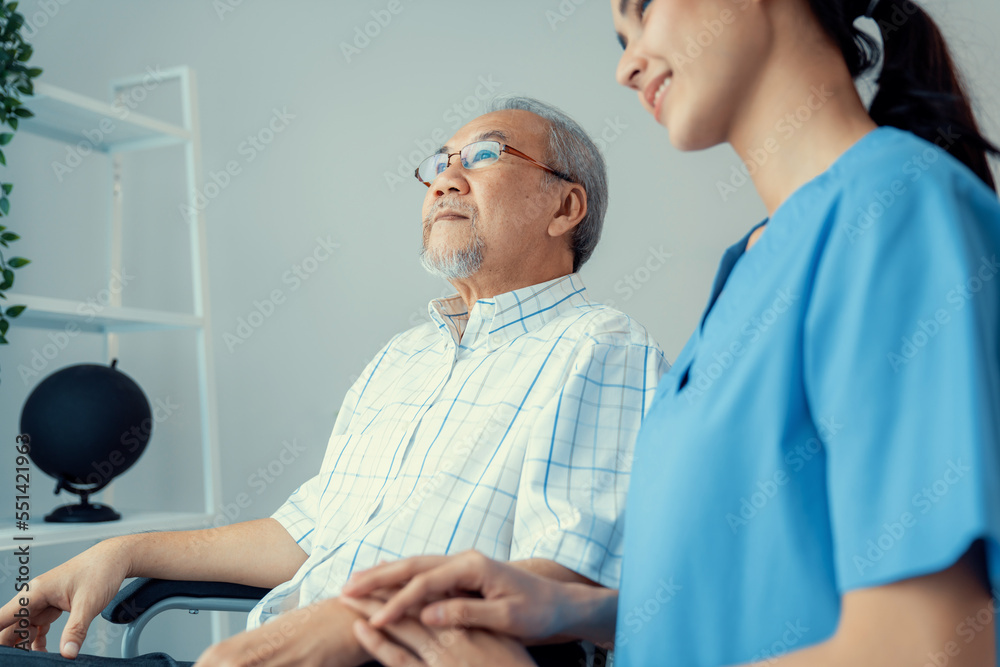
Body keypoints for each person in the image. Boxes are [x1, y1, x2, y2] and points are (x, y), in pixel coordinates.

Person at [339, 0, 1000, 665]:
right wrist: (579, 609)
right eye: (621, 38)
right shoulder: (750, 267)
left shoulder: (892, 210)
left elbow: (930, 646)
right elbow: (755, 587)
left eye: (644, 11)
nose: (627, 66)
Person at [0, 97, 668, 667]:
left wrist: (356, 622)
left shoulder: (600, 349)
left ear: (565, 206)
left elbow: (564, 582)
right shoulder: (403, 357)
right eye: (439, 163)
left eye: (484, 155)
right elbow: (305, 535)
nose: (444, 180)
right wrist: (122, 549)